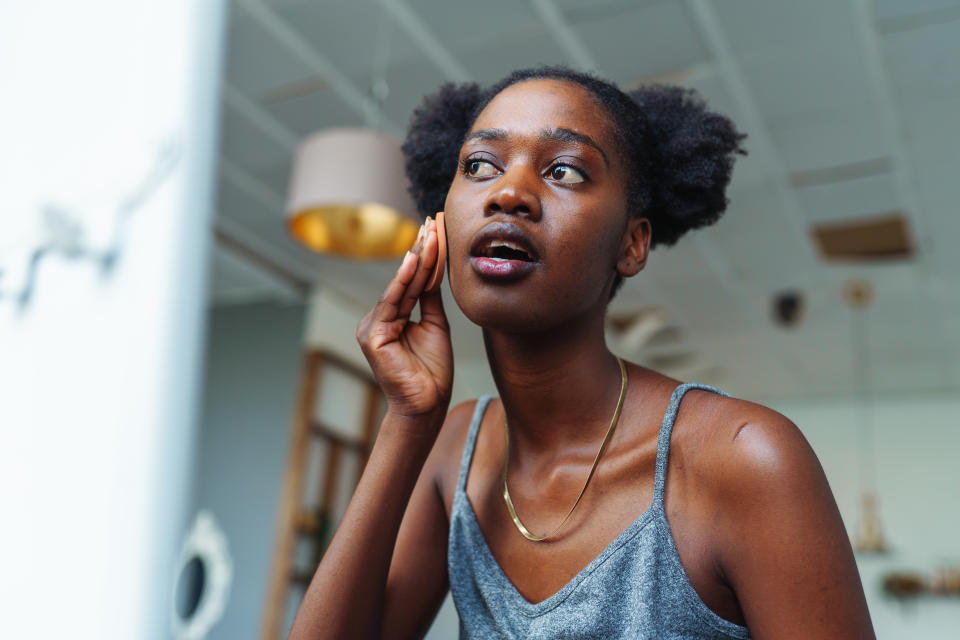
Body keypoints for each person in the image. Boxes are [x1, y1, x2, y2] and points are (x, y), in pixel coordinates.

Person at [289, 66, 875, 639]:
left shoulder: (743, 459)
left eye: (564, 170)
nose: (509, 193)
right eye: (480, 166)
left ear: (631, 243)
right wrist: (407, 422)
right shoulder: (452, 450)